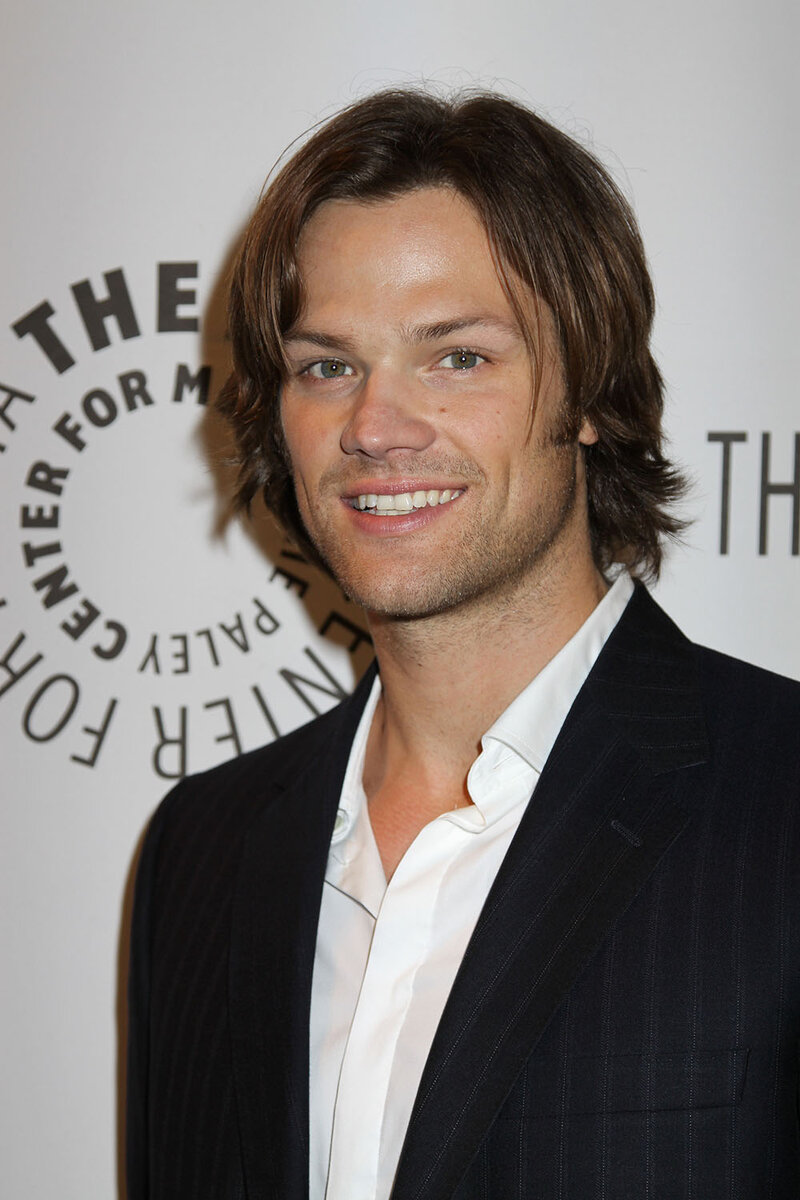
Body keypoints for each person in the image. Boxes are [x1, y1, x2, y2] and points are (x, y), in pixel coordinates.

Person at [126, 89, 800, 1199]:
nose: (374, 428)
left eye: (457, 358)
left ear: (589, 389)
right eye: (326, 365)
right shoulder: (201, 853)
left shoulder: (779, 803)